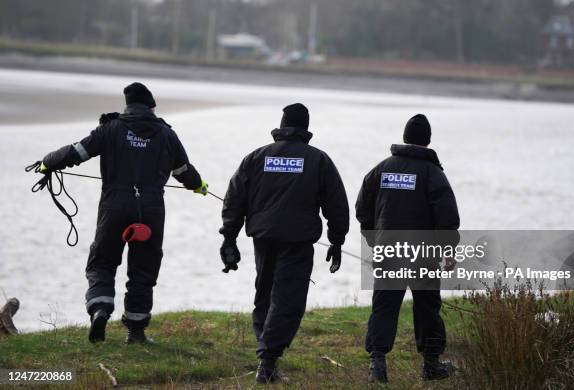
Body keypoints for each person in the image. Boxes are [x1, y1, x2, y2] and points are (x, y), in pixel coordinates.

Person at [36, 83, 207, 344]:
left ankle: (101, 310)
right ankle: (136, 332)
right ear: (151, 106)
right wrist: (198, 186)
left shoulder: (111, 128)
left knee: (103, 261)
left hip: (114, 207)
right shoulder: (166, 134)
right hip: (150, 211)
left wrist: (48, 162)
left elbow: (77, 152)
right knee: (143, 268)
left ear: (127, 106)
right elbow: (183, 171)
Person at [219, 103, 350, 384]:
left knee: (265, 295)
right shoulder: (318, 160)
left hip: (264, 238)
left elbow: (234, 198)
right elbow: (337, 205)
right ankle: (267, 361)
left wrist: (229, 236)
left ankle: (267, 357)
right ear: (305, 128)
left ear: (282, 124)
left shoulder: (257, 157)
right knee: (287, 300)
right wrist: (336, 240)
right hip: (298, 240)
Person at [355, 114, 460, 382]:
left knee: (384, 307)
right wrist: (448, 250)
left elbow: (362, 209)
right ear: (427, 141)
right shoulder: (433, 173)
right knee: (427, 307)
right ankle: (431, 364)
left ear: (404, 138)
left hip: (389, 250)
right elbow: (446, 217)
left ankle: (377, 366)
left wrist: (373, 240)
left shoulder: (380, 169)